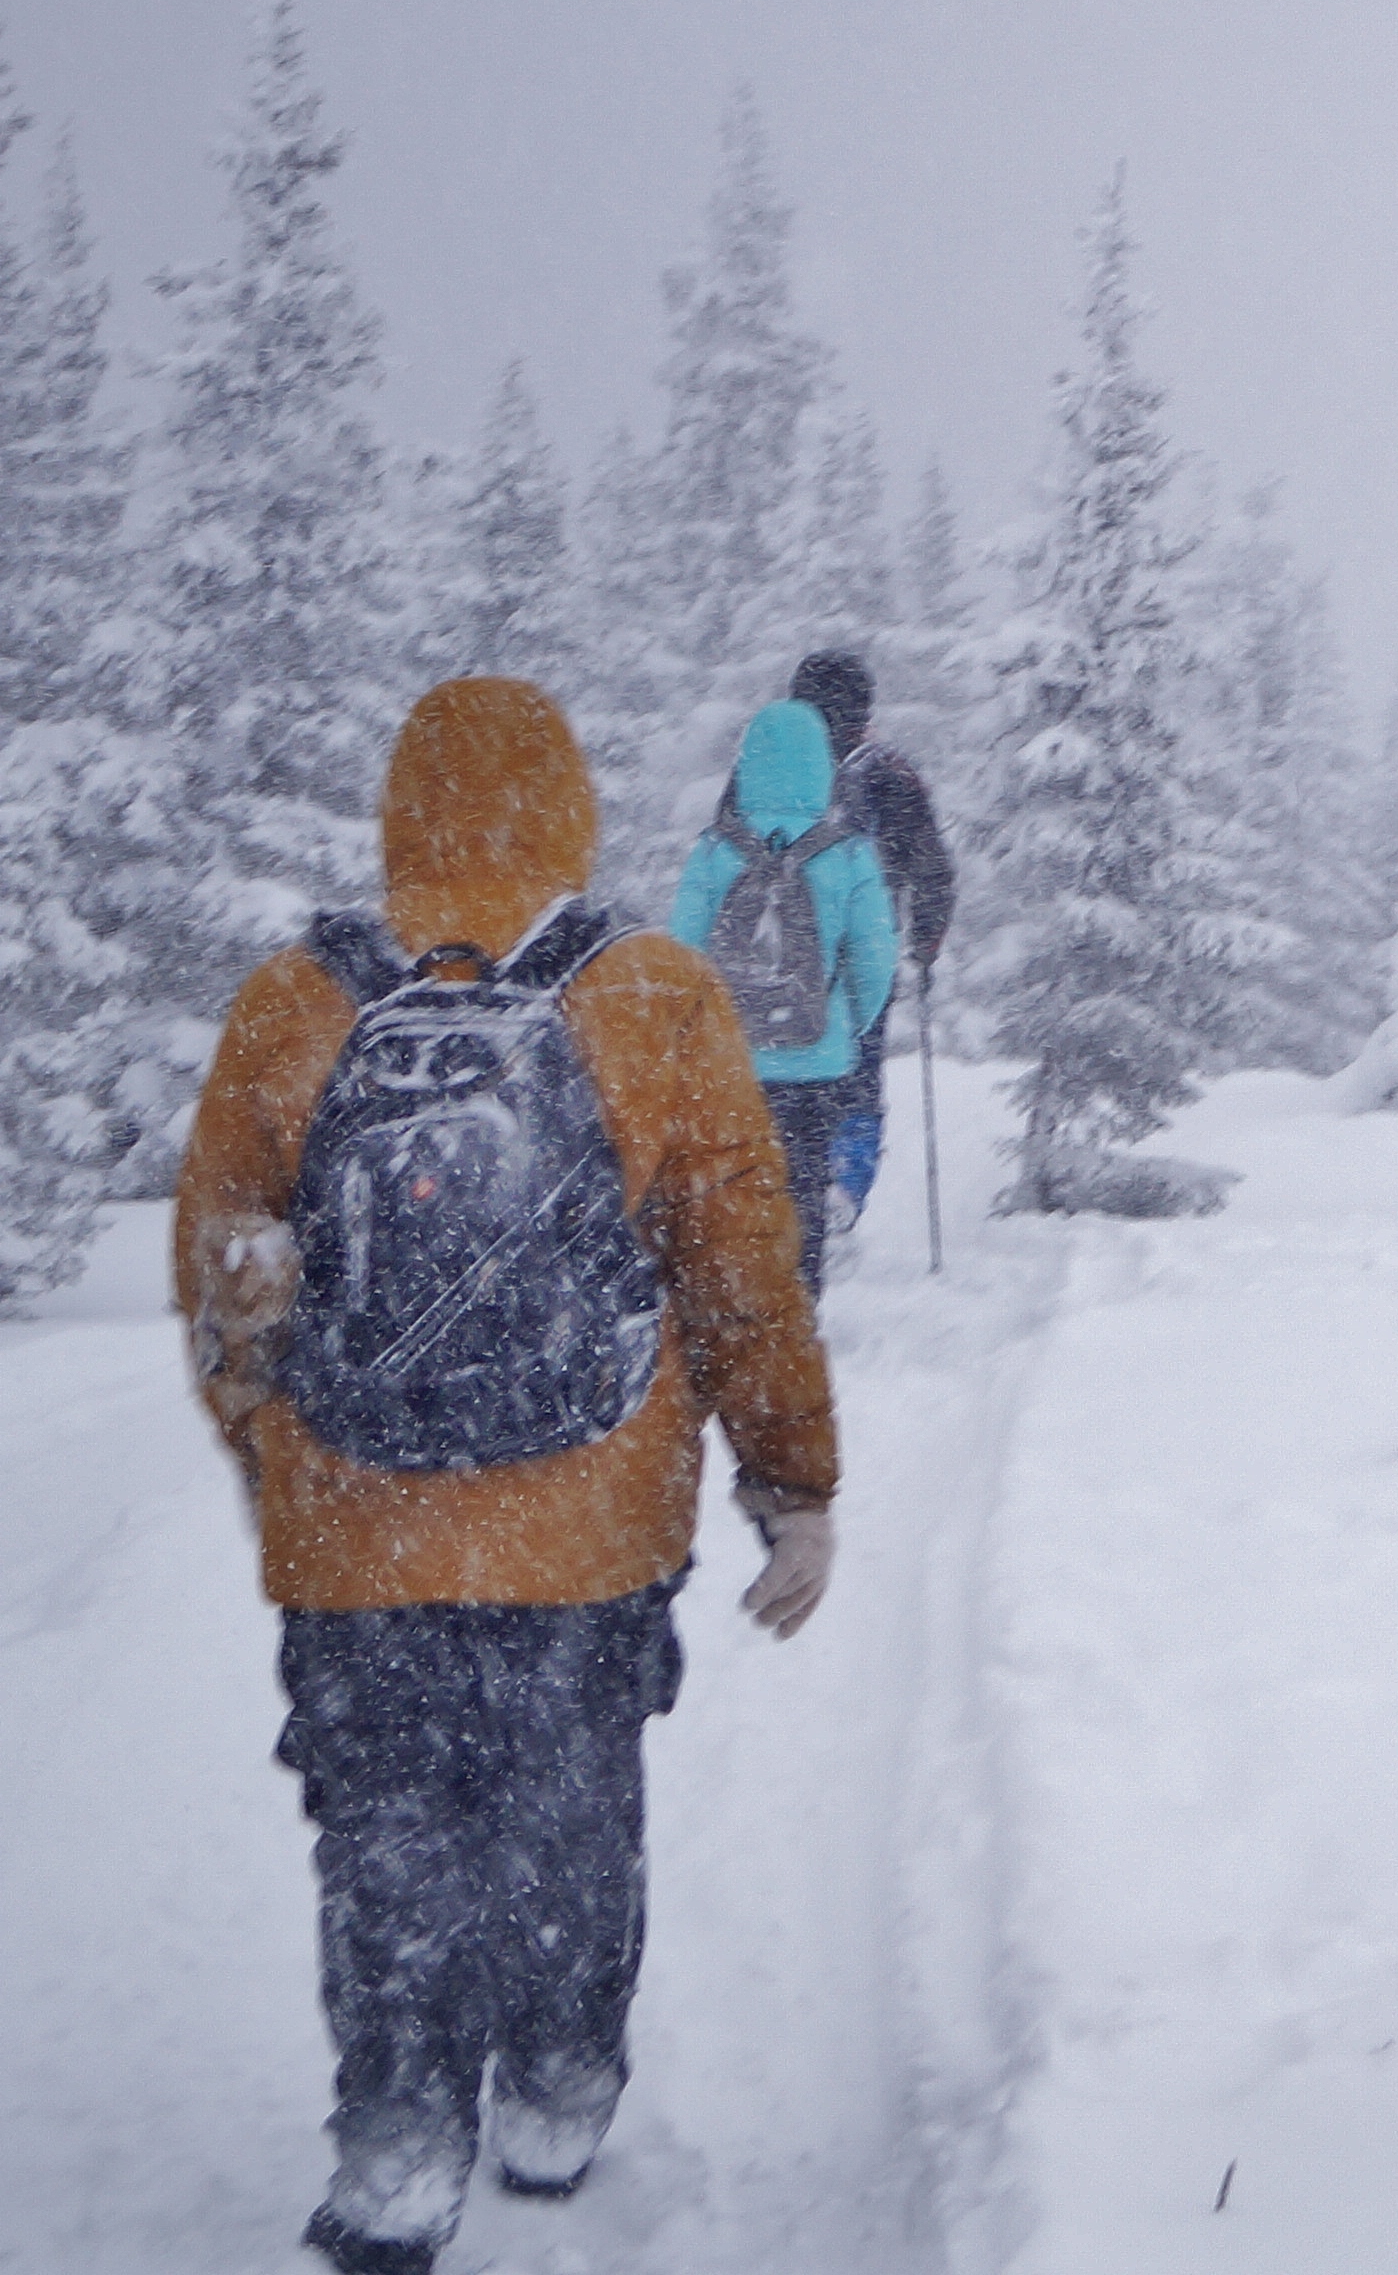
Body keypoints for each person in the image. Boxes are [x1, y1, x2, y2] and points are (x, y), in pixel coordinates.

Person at [172, 676, 837, 2275]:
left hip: (357, 1537)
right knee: (572, 1814)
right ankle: (554, 2094)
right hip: (590, 1528)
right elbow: (743, 1269)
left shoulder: (292, 1000)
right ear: (568, 809)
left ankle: (399, 2148)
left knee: (387, 1833)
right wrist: (792, 1483)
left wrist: (278, 1469)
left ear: (404, 804)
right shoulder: (655, 996)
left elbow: (225, 1276)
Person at [668, 693, 903, 1284]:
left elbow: (680, 957)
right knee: (801, 1184)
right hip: (816, 1059)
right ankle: (794, 1310)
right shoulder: (848, 853)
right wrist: (844, 1023)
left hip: (730, 1062)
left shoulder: (715, 850)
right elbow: (875, 962)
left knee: (730, 1184)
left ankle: (731, 1301)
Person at [786, 645, 955, 1226]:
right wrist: (925, 943)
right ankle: (842, 1186)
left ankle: (770, 1177)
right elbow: (930, 867)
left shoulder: (763, 771)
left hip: (776, 950)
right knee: (855, 1074)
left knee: (774, 1067)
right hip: (865, 954)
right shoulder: (890, 773)